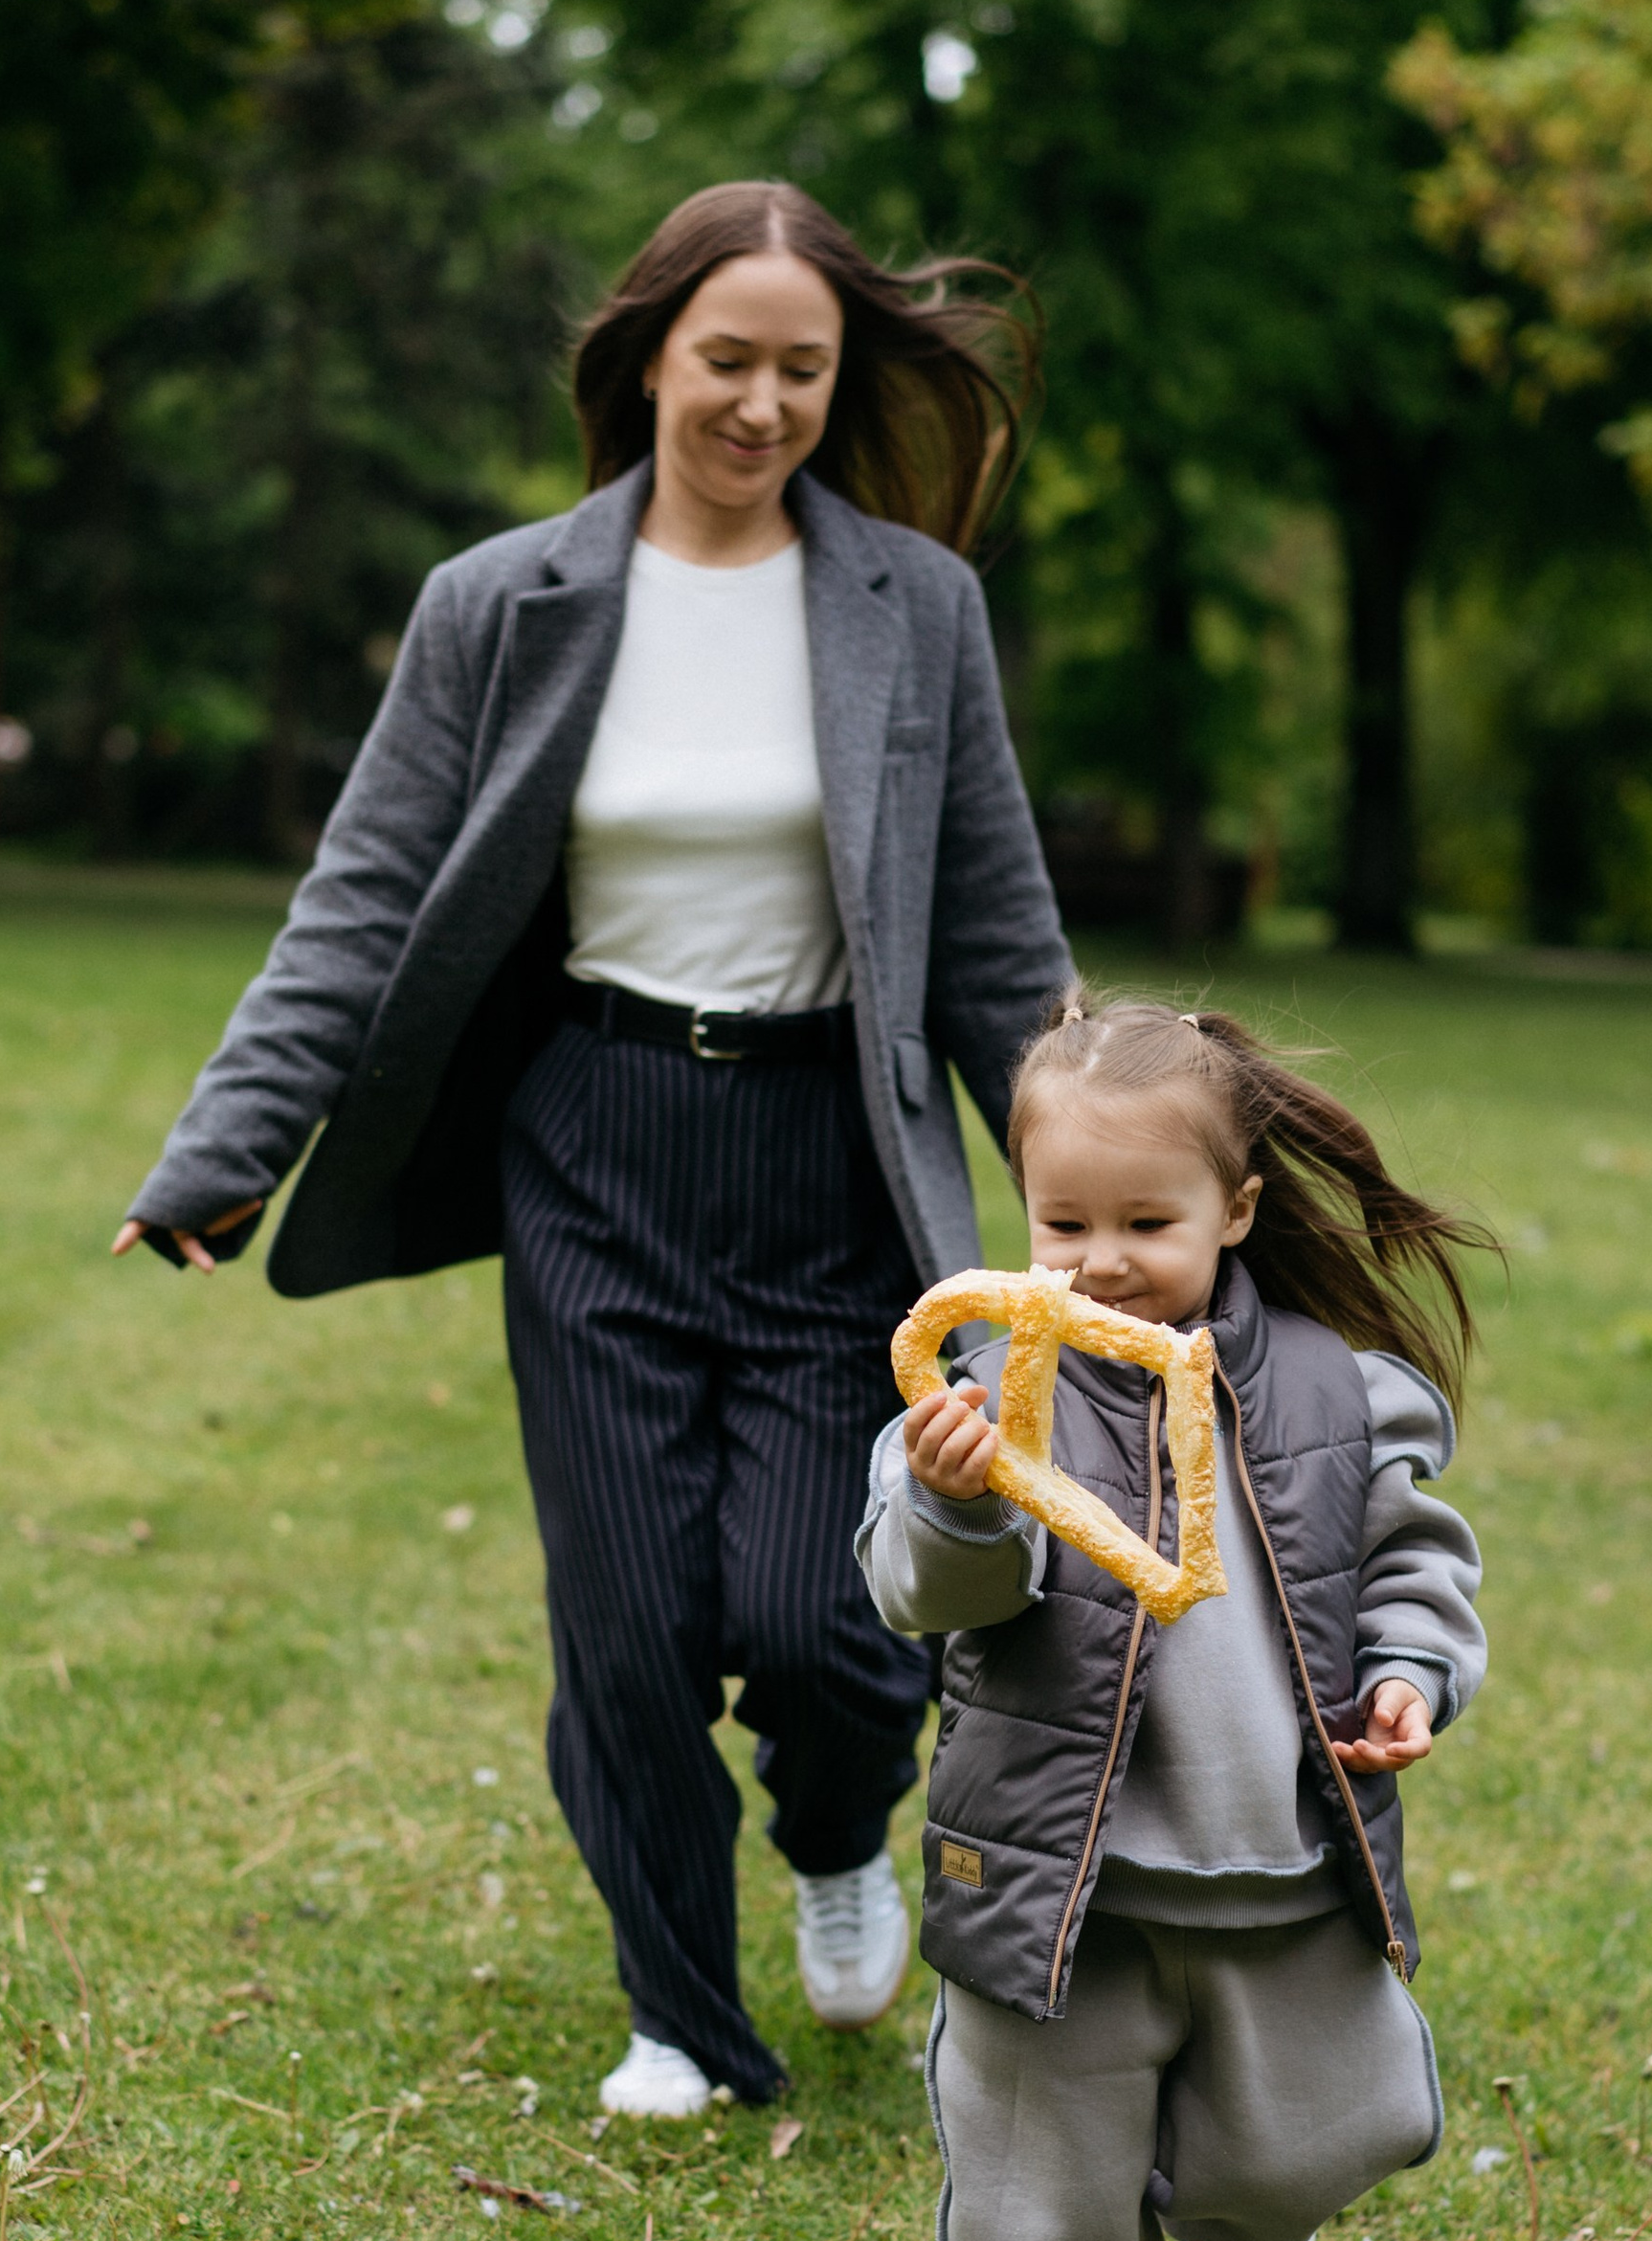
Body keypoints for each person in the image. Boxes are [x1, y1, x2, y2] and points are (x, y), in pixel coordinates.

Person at [115, 182, 1070, 2115]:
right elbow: (364, 898)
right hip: (599, 1152)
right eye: (728, 361)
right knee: (630, 1625)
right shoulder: (505, 604)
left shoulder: (913, 609)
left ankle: (828, 1837)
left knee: (823, 1620)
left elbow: (993, 936)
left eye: (802, 370)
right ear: (646, 357)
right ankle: (678, 2020)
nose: (763, 404)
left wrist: (1102, 1189)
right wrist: (229, 1141)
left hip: (831, 1169)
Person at [855, 992, 1487, 2241]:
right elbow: (925, 1599)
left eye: (1150, 1218)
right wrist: (956, 1504)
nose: (1099, 1259)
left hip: (1277, 1852)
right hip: (1057, 1865)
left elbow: (1412, 1564)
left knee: (1336, 2124)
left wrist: (1411, 1674)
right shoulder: (984, 1400)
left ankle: (1246, 2218)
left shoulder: (1340, 1393)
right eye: (1061, 1219)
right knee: (1036, 2164)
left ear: (1239, 1209)